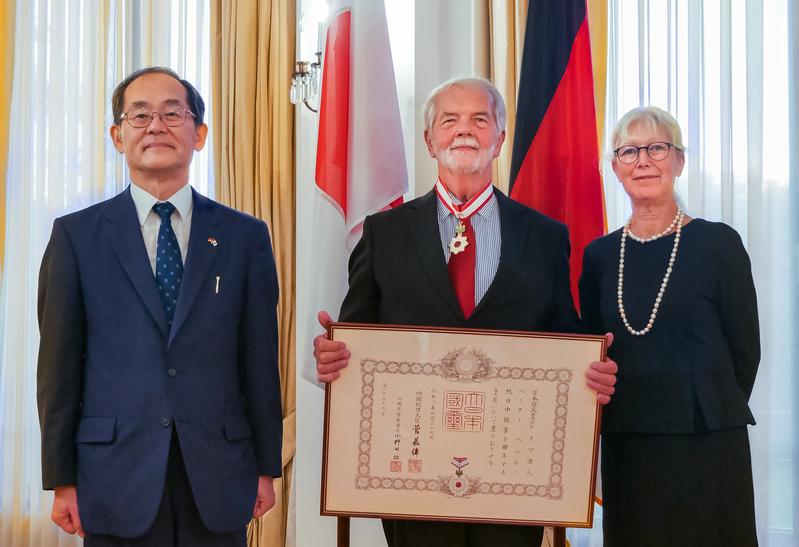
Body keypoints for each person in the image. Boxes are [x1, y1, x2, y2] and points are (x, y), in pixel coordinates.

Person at [313, 77, 618, 547]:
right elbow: (357, 336)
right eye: (449, 120)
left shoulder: (544, 237)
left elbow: (565, 340)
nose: (464, 130)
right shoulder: (383, 233)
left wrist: (590, 369)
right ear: (429, 139)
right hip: (415, 473)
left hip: (514, 469)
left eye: (480, 119)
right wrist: (335, 353)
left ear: (499, 138)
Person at [37, 67, 283, 547]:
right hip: (112, 474)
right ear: (117, 135)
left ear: (199, 134)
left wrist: (264, 467)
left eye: (173, 113)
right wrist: (61, 478)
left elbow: (258, 360)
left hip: (218, 472)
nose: (156, 126)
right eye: (140, 115)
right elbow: (58, 369)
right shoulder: (77, 237)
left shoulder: (244, 237)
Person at [579, 106, 760, 546]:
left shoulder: (719, 243)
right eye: (629, 151)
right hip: (630, 437)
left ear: (679, 161)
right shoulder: (599, 255)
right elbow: (589, 347)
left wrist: (708, 403)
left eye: (657, 148)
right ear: (615, 168)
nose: (643, 160)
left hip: (708, 438)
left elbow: (746, 352)